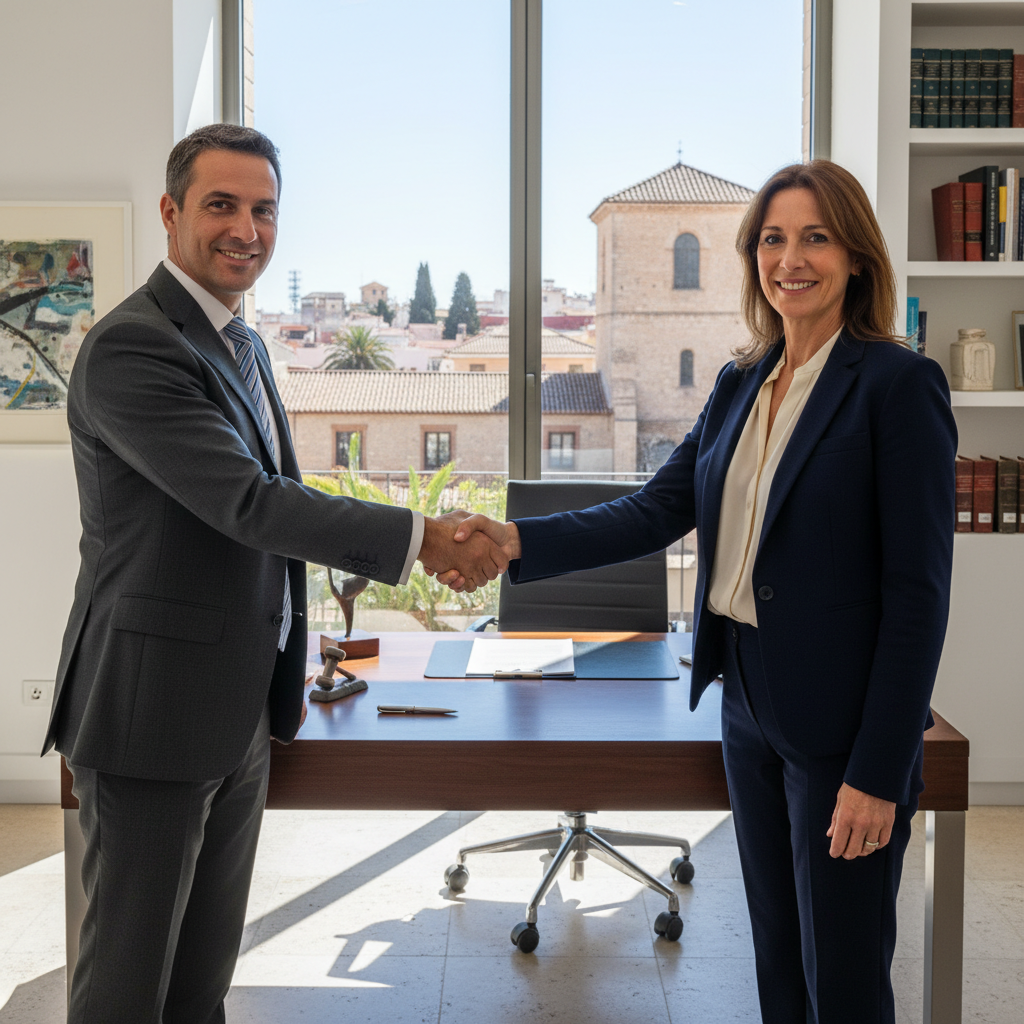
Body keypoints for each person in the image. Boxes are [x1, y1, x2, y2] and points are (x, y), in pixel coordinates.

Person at [438, 160, 956, 1023]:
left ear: (858, 257)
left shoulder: (896, 387)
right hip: (746, 701)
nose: (790, 258)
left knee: (847, 973)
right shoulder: (739, 383)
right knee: (779, 958)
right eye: (772, 239)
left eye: (816, 237)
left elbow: (918, 594)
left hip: (841, 723)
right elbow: (653, 511)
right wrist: (517, 541)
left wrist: (878, 769)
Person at [45, 123, 505, 1024]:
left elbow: (278, 503)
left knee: (200, 982)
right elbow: (251, 504)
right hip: (149, 712)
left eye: (264, 210)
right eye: (221, 205)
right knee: (127, 985)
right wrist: (425, 538)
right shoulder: (134, 348)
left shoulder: (243, 347)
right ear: (174, 212)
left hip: (235, 708)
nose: (245, 229)